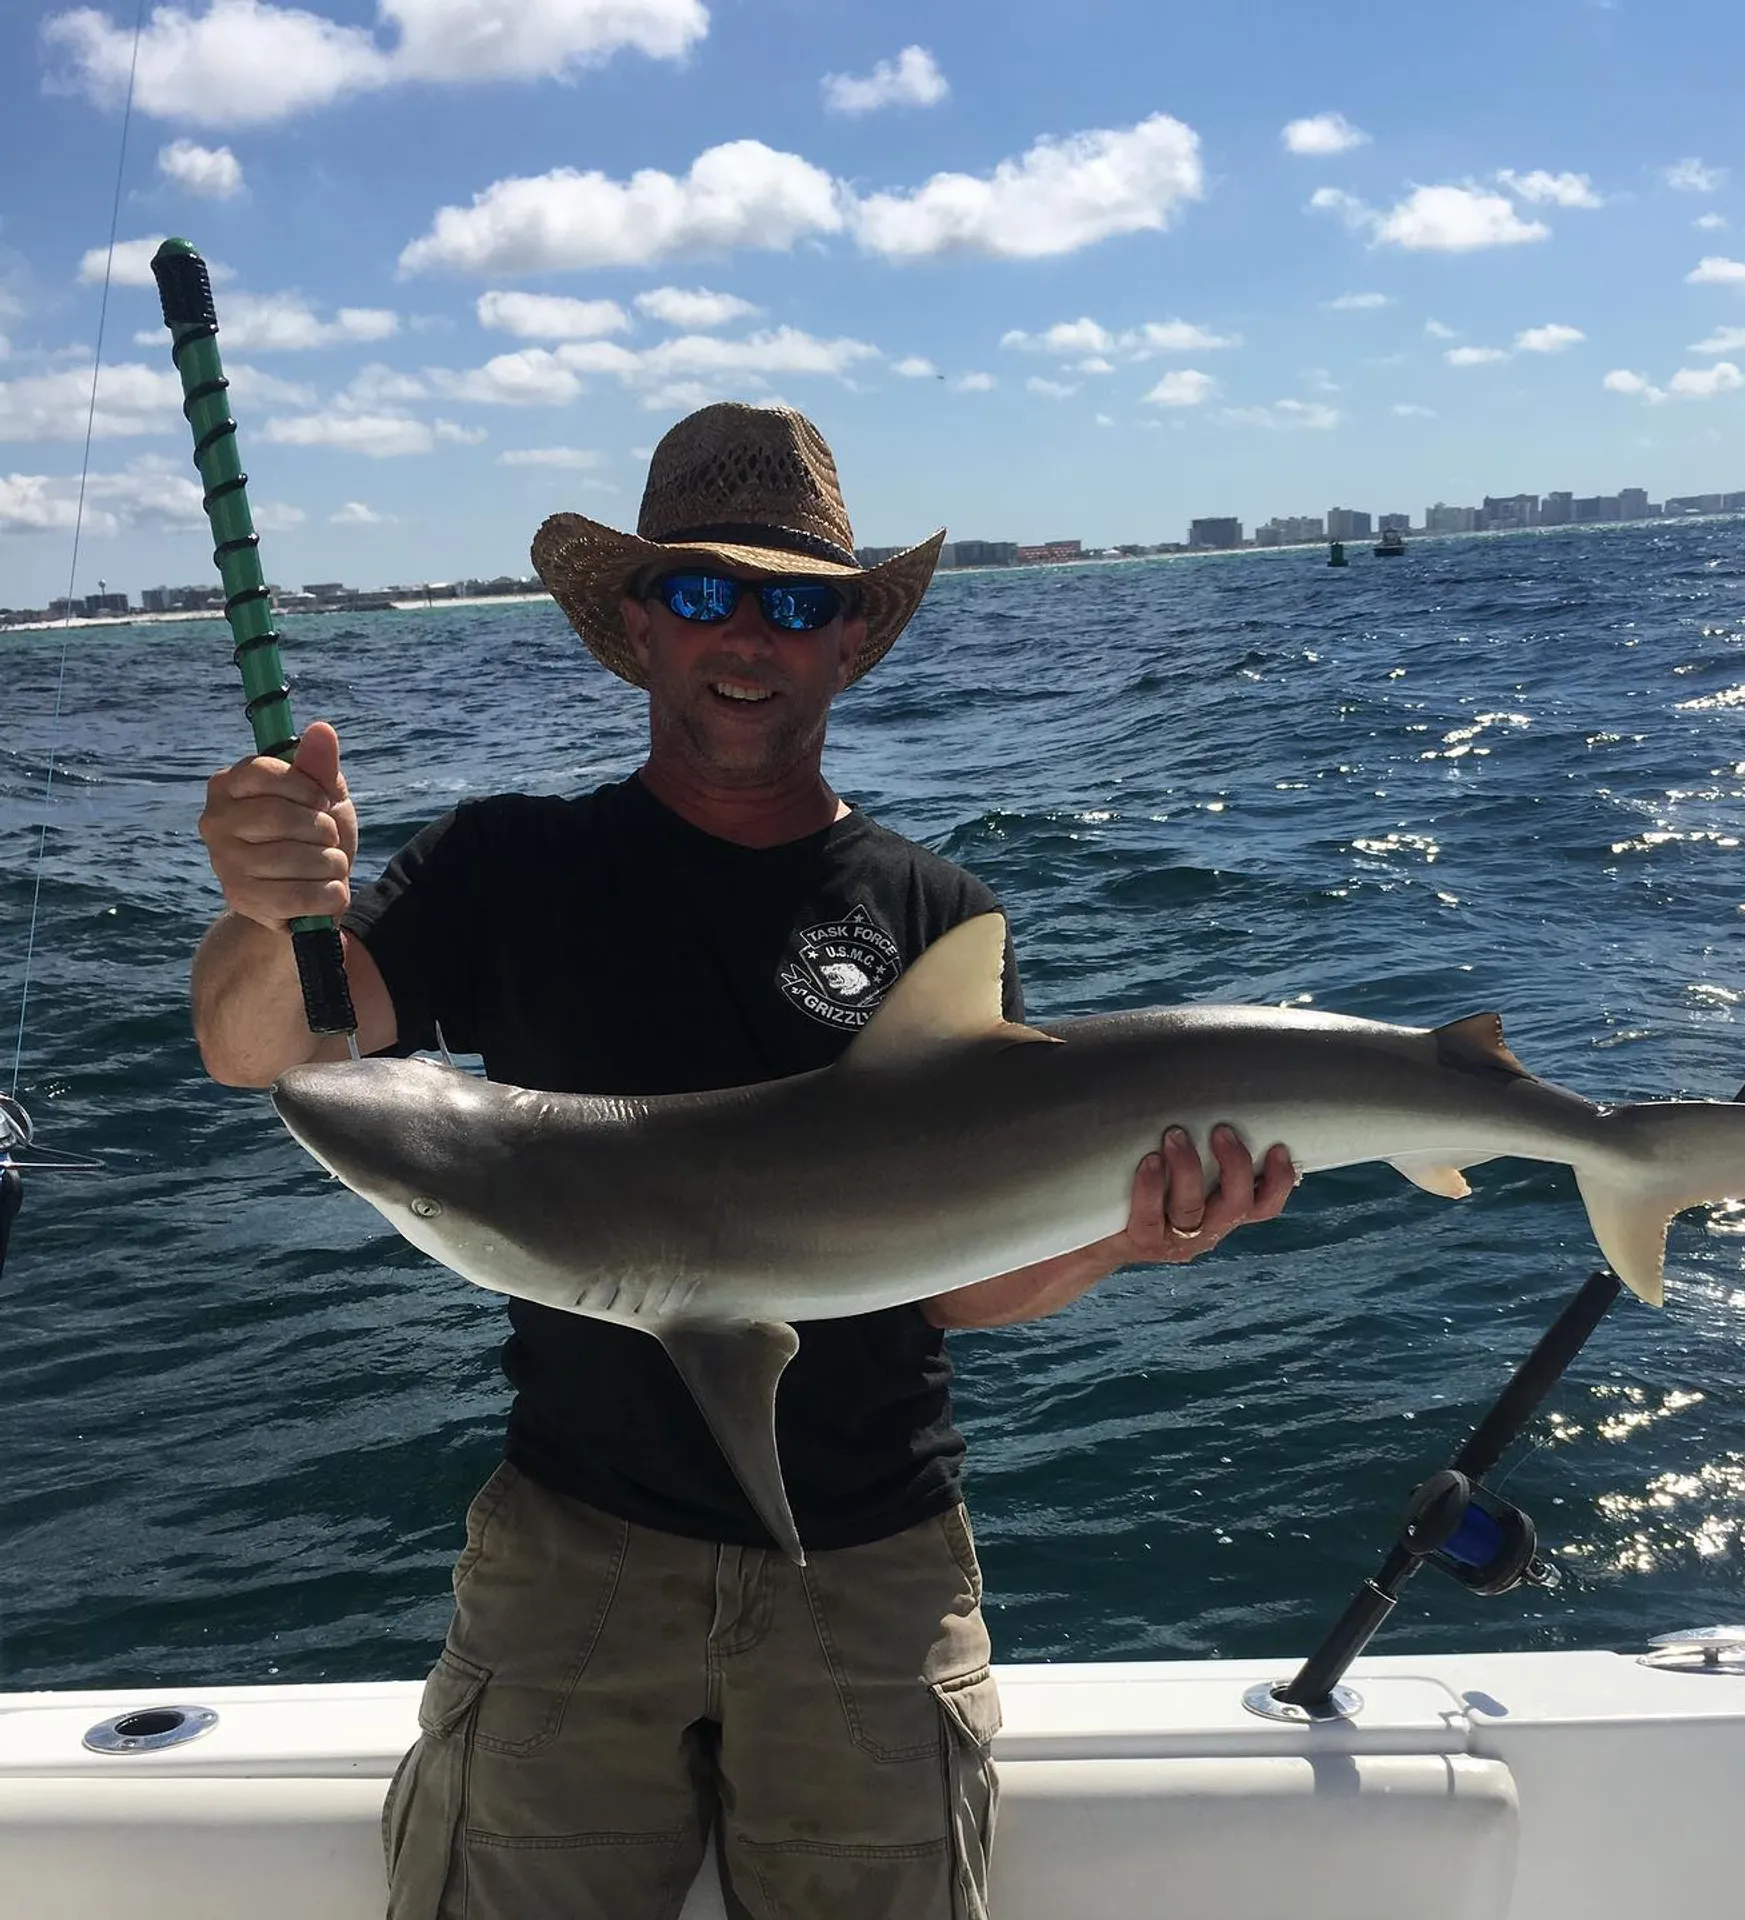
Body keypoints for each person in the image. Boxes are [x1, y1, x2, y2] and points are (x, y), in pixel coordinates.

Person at [191, 402, 1295, 1920]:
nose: (749, 634)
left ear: (851, 637)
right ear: (640, 622)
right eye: (706, 590)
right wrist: (267, 910)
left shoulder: (938, 915)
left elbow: (951, 1290)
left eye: (796, 601)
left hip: (874, 1564)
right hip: (574, 1550)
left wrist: (1123, 1237)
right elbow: (272, 1050)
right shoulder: (510, 867)